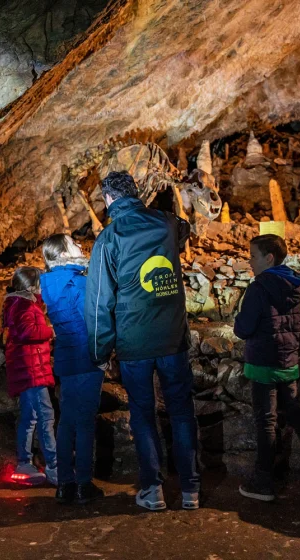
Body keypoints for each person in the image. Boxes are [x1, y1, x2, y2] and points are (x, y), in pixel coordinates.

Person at [84, 171, 200, 511]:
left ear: (108, 199)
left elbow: (99, 302)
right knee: (182, 412)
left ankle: (153, 489)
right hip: (172, 337)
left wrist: (99, 351)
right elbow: (184, 229)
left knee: (143, 414)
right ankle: (191, 490)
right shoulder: (166, 222)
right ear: (135, 192)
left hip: (134, 342)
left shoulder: (109, 238)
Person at [234, 234, 300, 502]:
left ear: (269, 258)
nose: (249, 261)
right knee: (295, 413)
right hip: (287, 360)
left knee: (266, 421)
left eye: (253, 256)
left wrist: (238, 321)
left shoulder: (259, 288)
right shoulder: (293, 284)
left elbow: (243, 328)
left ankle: (263, 481)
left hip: (263, 363)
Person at [40, 234, 105, 505]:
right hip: (87, 358)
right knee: (85, 422)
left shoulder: (50, 285)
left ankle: (65, 483)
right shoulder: (80, 283)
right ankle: (84, 484)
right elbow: (95, 321)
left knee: (66, 421)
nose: (80, 245)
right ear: (63, 253)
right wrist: (103, 353)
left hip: (66, 359)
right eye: (73, 243)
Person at [2, 266, 58, 486]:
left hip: (28, 368)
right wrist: (50, 331)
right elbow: (28, 332)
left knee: (30, 416)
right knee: (46, 416)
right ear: (33, 286)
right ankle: (54, 466)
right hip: (32, 370)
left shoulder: (17, 303)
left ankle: (24, 462)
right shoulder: (25, 305)